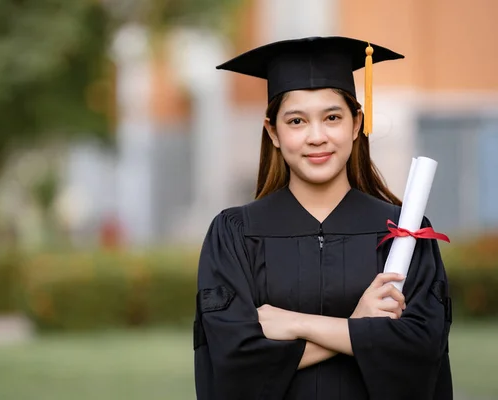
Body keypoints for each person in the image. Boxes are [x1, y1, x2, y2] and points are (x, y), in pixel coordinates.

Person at [192, 36, 453, 400]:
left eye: (332, 117)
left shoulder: (403, 232)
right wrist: (360, 327)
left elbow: (422, 350)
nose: (317, 137)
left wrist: (297, 324)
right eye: (297, 121)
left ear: (356, 122)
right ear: (273, 132)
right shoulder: (236, 233)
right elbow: (232, 359)